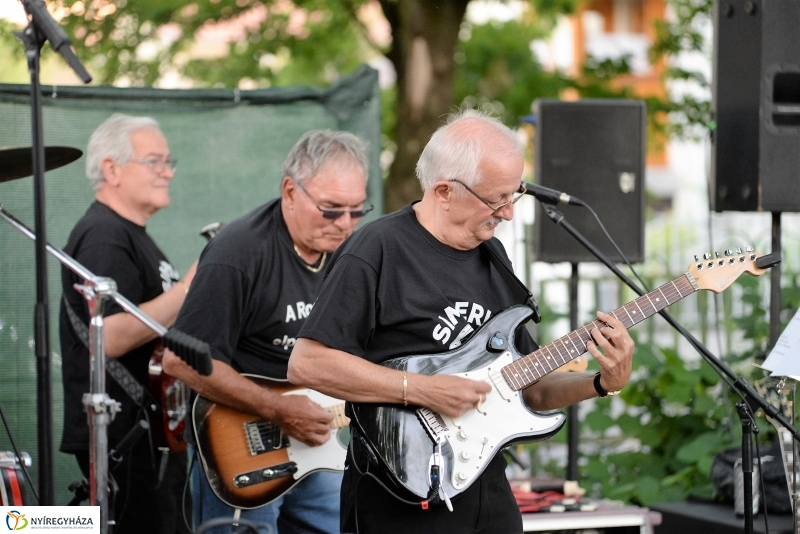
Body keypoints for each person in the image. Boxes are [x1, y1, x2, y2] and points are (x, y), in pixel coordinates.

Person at [287, 110, 636, 534]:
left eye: (514, 195)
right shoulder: (378, 249)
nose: (508, 213)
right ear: (444, 191)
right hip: (397, 495)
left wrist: (603, 382)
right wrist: (421, 389)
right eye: (497, 199)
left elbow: (531, 388)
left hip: (486, 493)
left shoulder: (494, 258)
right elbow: (307, 363)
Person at [161, 129, 371, 534]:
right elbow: (179, 361)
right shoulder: (237, 252)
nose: (345, 223)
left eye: (357, 210)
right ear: (290, 191)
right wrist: (277, 409)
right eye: (330, 209)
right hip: (241, 450)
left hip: (316, 447)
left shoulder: (347, 255)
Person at [59, 113, 197, 534]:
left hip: (148, 432)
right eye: (154, 161)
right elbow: (114, 336)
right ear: (112, 169)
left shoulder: (130, 234)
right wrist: (189, 287)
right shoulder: (104, 235)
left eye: (169, 162)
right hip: (124, 435)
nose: (167, 172)